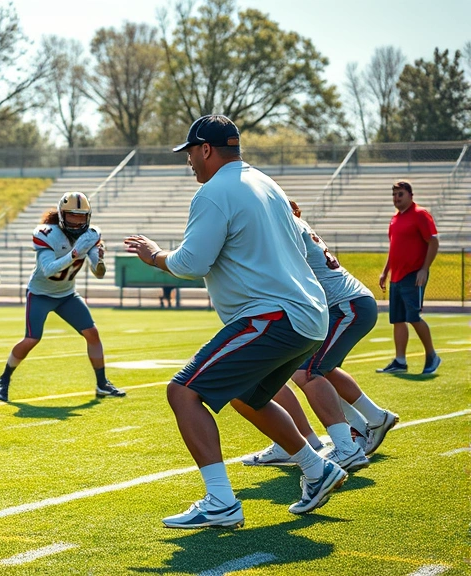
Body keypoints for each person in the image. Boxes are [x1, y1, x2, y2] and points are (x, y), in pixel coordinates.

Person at [124, 115, 345, 529]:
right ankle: (317, 469)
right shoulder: (266, 183)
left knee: (183, 393)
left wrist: (154, 255)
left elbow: (192, 263)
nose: (189, 161)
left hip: (273, 313)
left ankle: (221, 502)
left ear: (205, 149)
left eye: (190, 152)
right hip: (307, 315)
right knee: (246, 394)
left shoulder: (214, 192)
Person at [242, 200, 399, 472]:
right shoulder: (293, 224)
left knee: (309, 372)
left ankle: (346, 446)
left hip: (345, 305)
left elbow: (286, 276)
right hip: (345, 304)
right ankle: (372, 419)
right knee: (314, 369)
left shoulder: (287, 228)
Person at [0, 192, 124, 402]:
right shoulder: (47, 234)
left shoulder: (90, 235)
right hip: (40, 294)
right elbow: (48, 269)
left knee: (92, 333)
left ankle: (102, 384)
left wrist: (99, 260)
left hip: (66, 294)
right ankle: (4, 378)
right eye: (72, 216)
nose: (77, 221)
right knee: (31, 339)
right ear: (62, 215)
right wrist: (74, 253)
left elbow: (99, 274)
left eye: (82, 216)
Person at [377, 180, 441, 375]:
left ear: (410, 195)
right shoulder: (395, 219)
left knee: (413, 316)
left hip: (413, 275)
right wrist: (385, 271)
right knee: (397, 319)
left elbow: (433, 241)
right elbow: (394, 248)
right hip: (396, 276)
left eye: (400, 194)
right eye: (394, 195)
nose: (396, 198)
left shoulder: (420, 215)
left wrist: (424, 269)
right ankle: (400, 361)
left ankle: (432, 356)